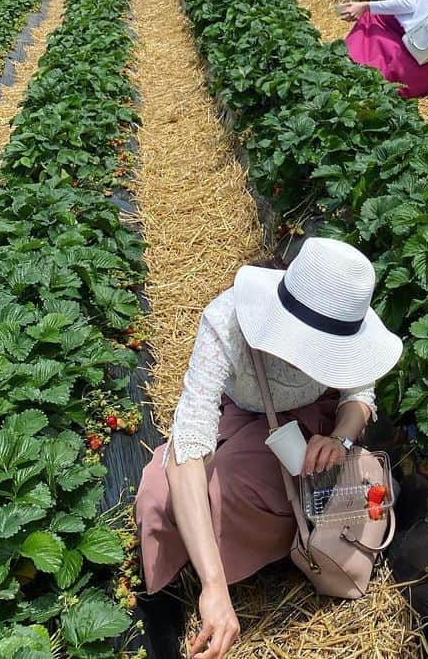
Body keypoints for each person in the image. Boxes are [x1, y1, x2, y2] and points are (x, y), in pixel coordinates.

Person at [136, 237, 403, 659]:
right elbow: (189, 442)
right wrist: (213, 586)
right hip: (243, 414)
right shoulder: (227, 320)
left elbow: (359, 398)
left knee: (236, 492)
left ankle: (269, 546)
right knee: (159, 493)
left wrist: (339, 439)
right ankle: (219, 564)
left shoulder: (344, 319)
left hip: (309, 424)